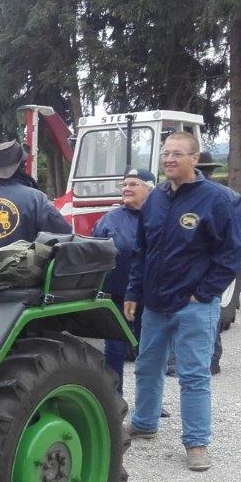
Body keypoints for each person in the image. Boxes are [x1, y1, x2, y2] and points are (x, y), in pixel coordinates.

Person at [123, 132, 241, 472]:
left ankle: (196, 444)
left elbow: (231, 254)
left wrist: (204, 293)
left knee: (193, 375)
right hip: (155, 303)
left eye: (177, 154)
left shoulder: (216, 200)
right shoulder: (156, 198)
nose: (169, 159)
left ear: (195, 159)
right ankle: (145, 422)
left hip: (193, 305)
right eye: (165, 154)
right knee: (147, 366)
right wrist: (134, 291)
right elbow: (142, 250)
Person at [93, 168, 156, 393]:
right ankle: (114, 397)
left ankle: (149, 403)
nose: (127, 188)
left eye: (133, 184)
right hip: (116, 295)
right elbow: (95, 256)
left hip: (150, 297)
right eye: (125, 184)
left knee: (148, 350)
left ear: (149, 189)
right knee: (114, 350)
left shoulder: (159, 217)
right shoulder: (109, 220)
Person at [197, 151, 241, 374]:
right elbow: (239, 234)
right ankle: (211, 361)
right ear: (212, 170)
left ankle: (209, 360)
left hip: (205, 260)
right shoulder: (231, 195)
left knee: (206, 310)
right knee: (211, 309)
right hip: (219, 261)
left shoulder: (207, 197)